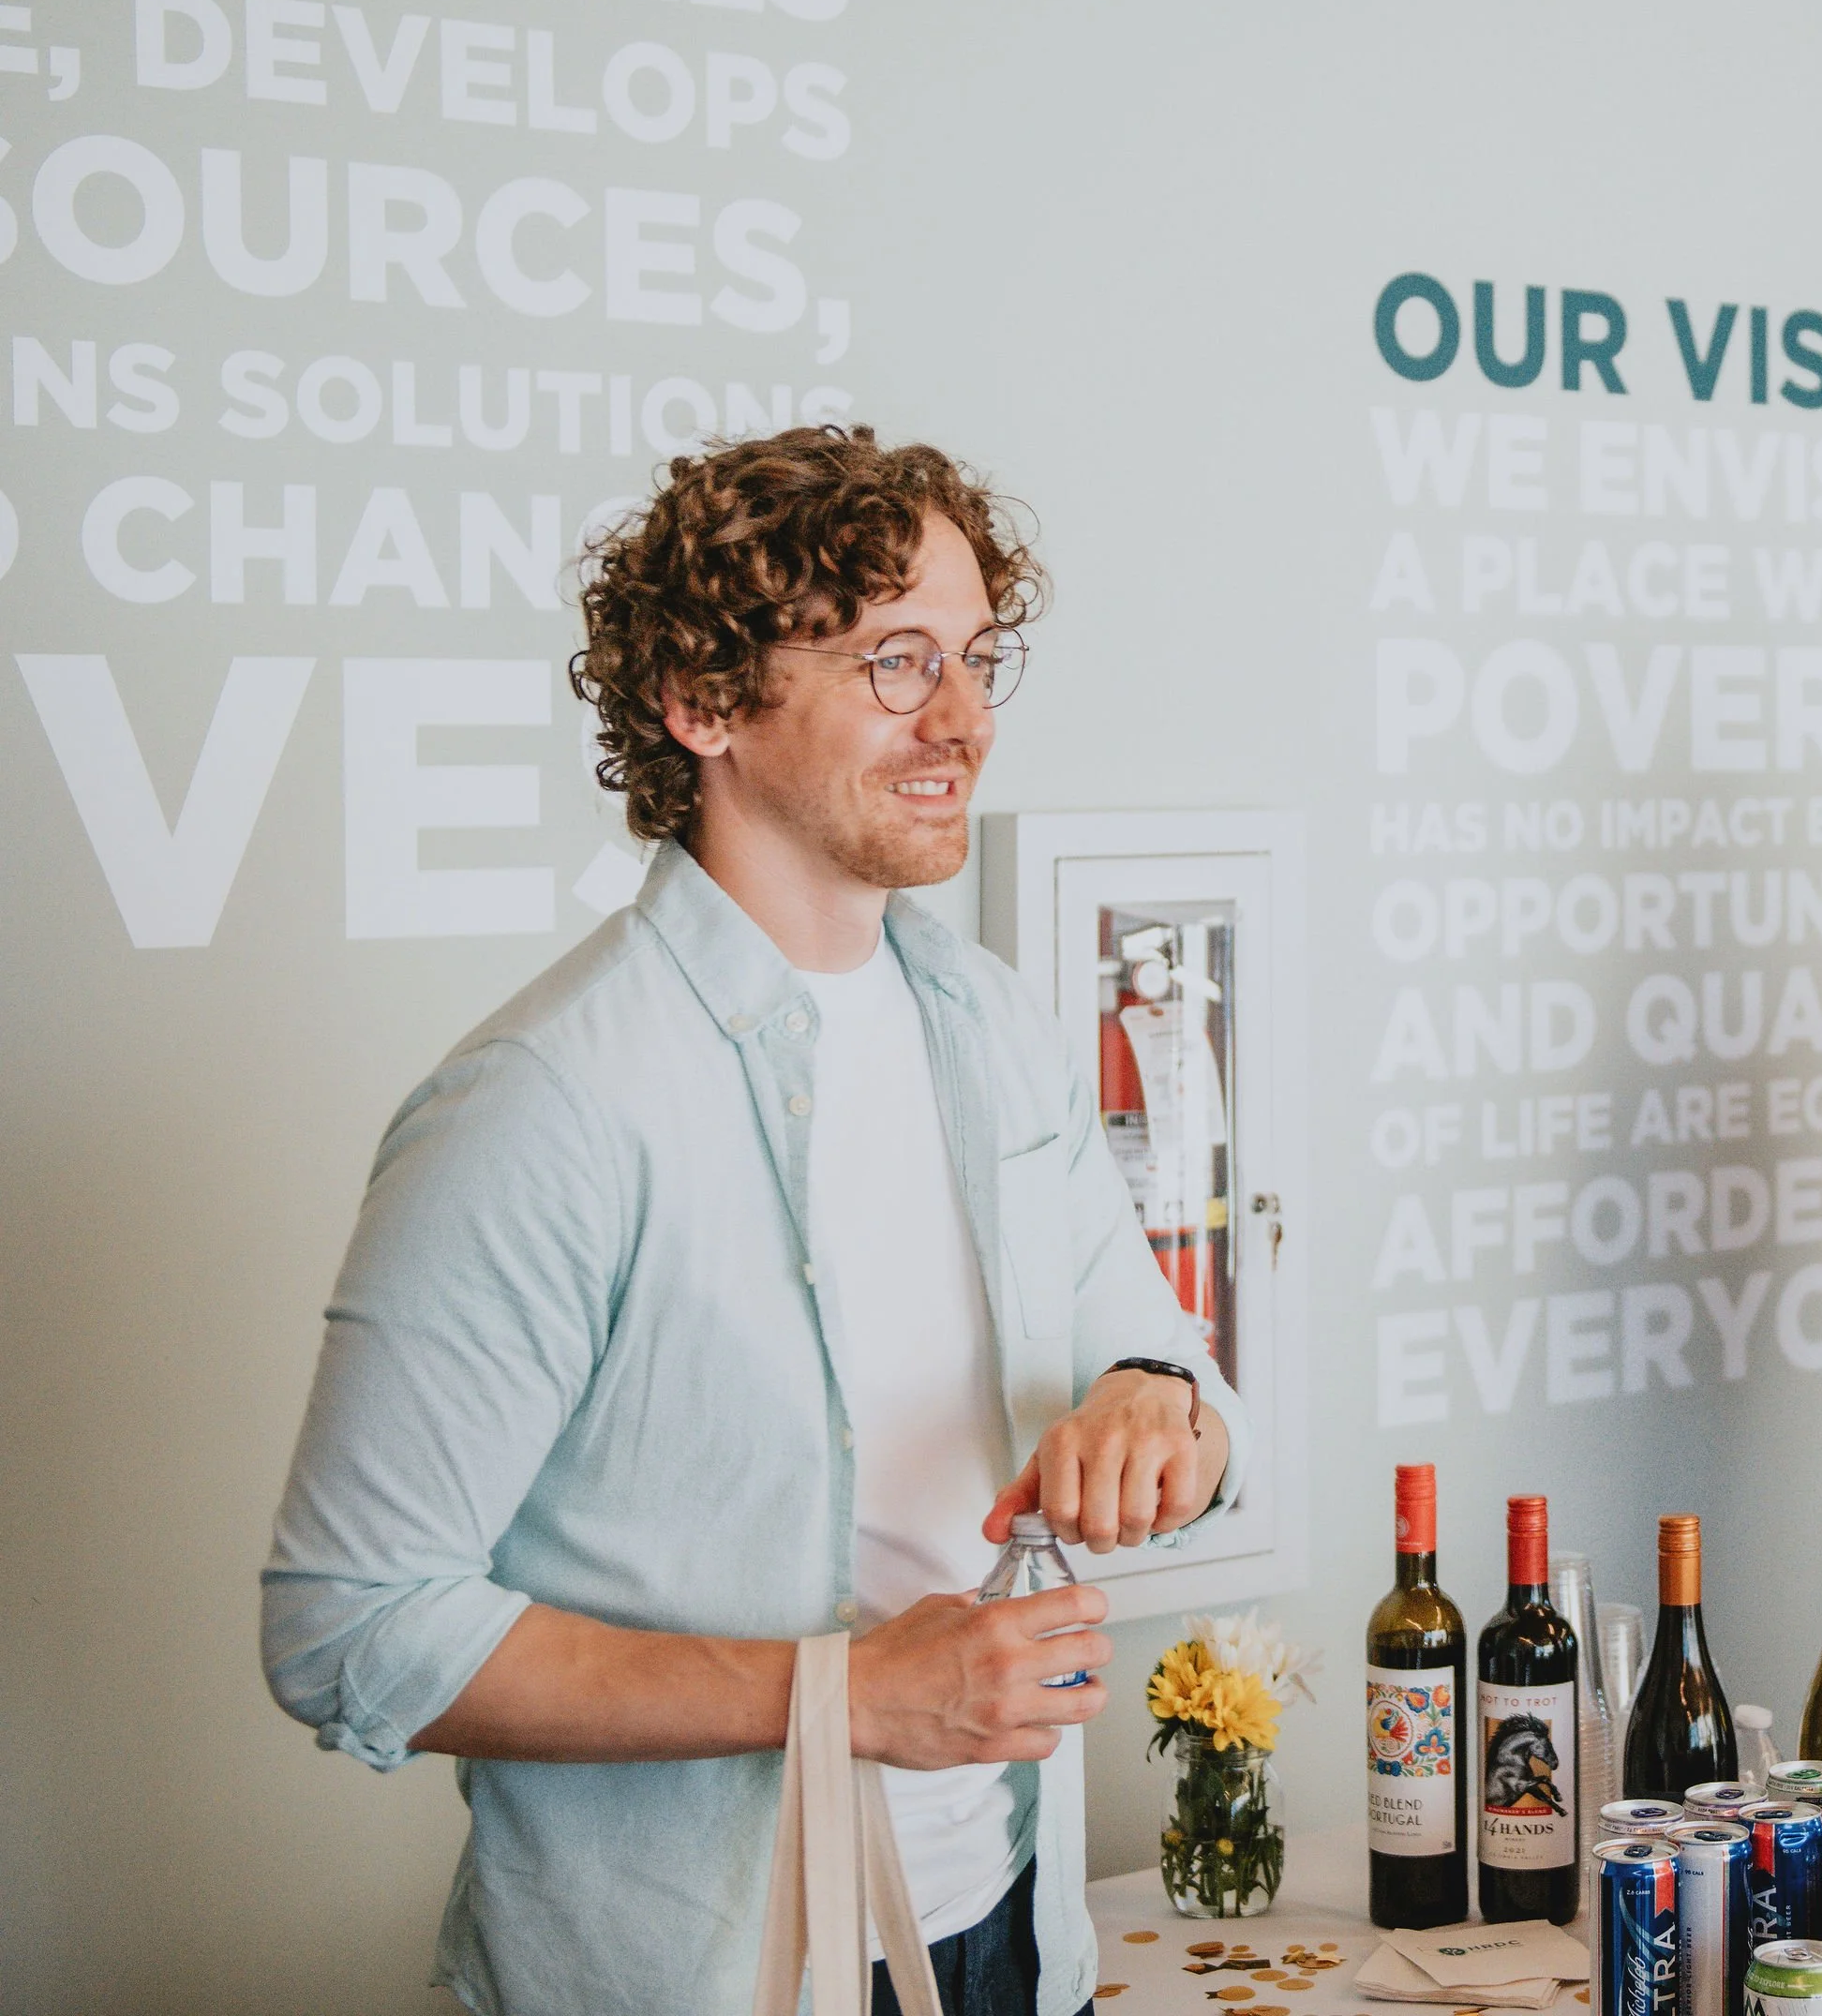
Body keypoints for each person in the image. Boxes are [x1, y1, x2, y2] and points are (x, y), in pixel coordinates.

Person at [263, 426, 1249, 2016]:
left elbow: (1177, 1381)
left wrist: (1160, 1407)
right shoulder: (543, 1104)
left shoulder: (993, 1031)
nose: (964, 723)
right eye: (896, 663)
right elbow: (350, 1630)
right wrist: (844, 1697)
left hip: (1004, 1928)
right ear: (705, 703)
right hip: (694, 1977)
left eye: (979, 659)